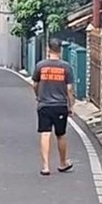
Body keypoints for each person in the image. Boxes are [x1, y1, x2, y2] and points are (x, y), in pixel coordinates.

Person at [31, 39, 75, 175]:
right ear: (60, 50)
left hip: (44, 104)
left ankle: (45, 166)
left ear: (47, 49)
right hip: (60, 105)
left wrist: (38, 96)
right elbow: (69, 88)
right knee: (61, 134)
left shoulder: (40, 66)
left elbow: (35, 84)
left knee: (45, 133)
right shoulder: (66, 67)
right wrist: (71, 104)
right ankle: (62, 163)